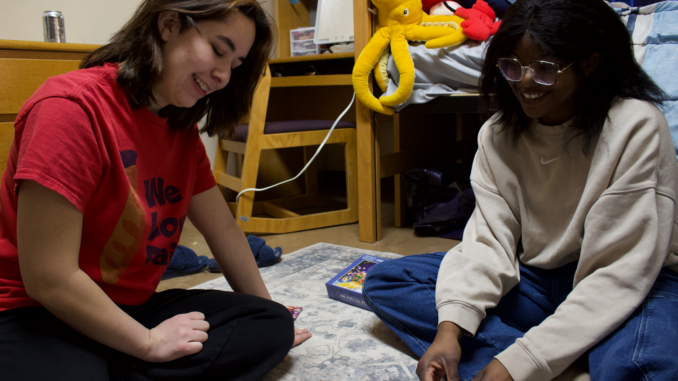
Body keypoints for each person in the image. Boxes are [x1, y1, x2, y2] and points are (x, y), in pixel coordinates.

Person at [362, 0, 678, 380]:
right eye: (511, 66)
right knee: (389, 281)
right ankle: (557, 353)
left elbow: (620, 272)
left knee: (643, 366)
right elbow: (489, 242)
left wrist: (517, 365)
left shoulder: (636, 125)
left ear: (589, 64)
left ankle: (540, 355)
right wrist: (449, 333)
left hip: (634, 278)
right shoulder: (498, 133)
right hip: (540, 280)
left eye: (545, 69)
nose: (524, 82)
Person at [0, 0, 311, 380]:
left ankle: (116, 357)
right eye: (218, 50)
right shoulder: (69, 109)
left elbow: (225, 232)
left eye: (235, 64)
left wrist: (278, 320)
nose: (223, 75)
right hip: (36, 311)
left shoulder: (179, 130)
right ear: (168, 24)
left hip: (130, 306)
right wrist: (148, 343)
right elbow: (49, 279)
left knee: (269, 324)